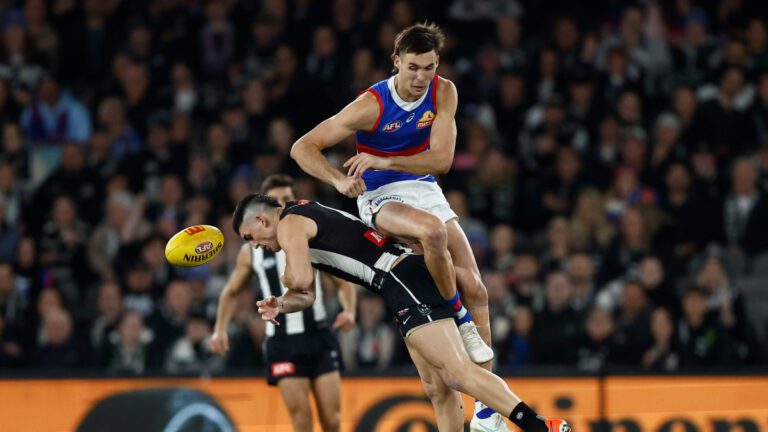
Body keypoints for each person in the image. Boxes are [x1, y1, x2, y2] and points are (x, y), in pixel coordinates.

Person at [289, 22, 498, 428]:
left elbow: (441, 162)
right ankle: (459, 316)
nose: (422, 78)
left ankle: (488, 411)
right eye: (414, 68)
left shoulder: (444, 91)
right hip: (381, 197)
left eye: (430, 67)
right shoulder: (371, 105)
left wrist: (383, 159)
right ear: (396, 62)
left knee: (477, 285)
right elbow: (303, 147)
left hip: (422, 185)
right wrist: (337, 179)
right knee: (432, 233)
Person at [233, 193, 571, 432]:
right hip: (403, 278)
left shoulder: (290, 223)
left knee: (455, 373)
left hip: (398, 277)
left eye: (252, 237)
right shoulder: (302, 213)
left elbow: (301, 278)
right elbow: (305, 294)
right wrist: (281, 302)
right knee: (438, 388)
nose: (256, 245)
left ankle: (538, 425)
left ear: (263, 219)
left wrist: (285, 279)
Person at [210, 175, 356, 432]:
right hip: (282, 341)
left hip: (320, 334)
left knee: (333, 420)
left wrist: (350, 309)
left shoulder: (307, 237)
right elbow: (231, 292)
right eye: (276, 200)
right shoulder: (251, 252)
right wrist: (220, 328)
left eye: (286, 199)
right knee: (302, 421)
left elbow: (342, 281)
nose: (282, 204)